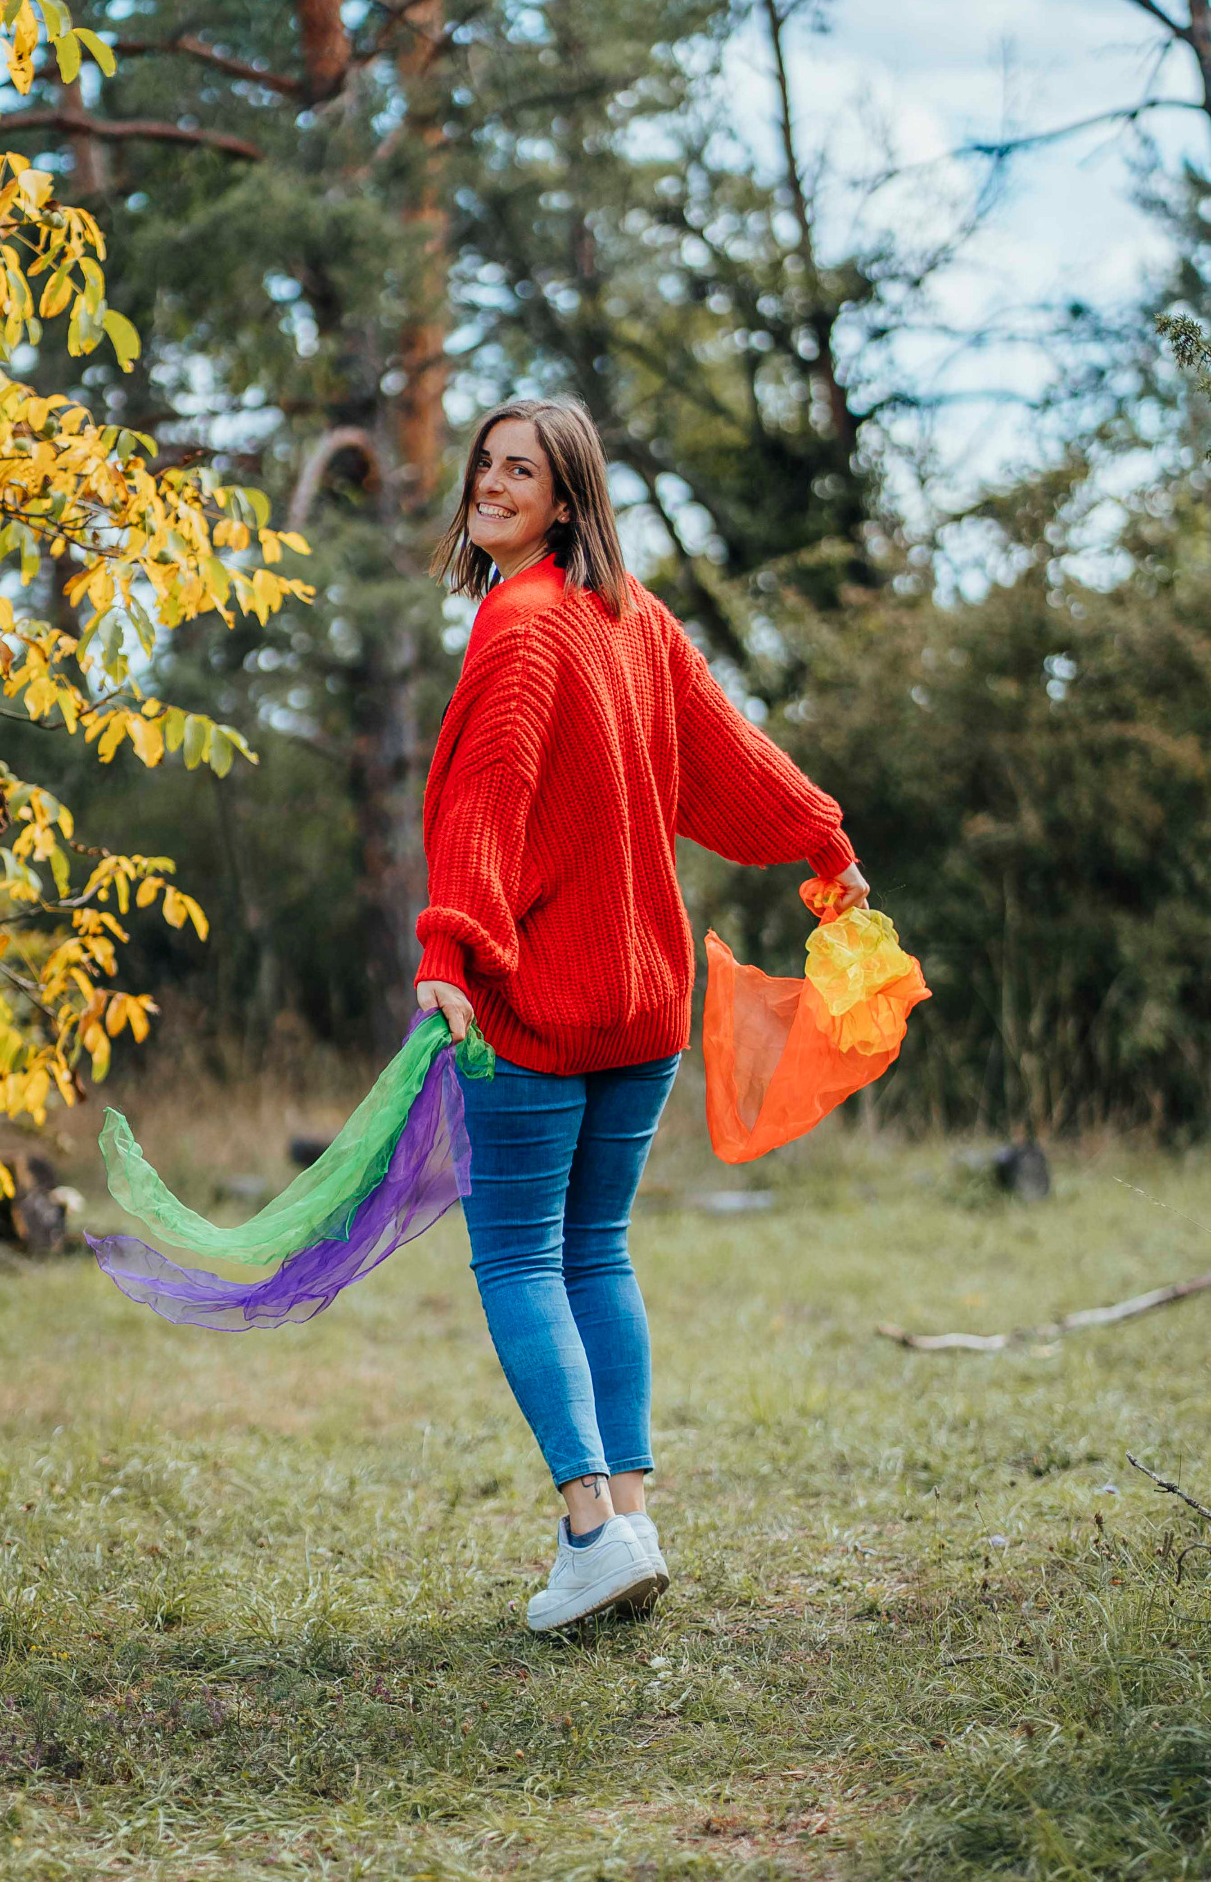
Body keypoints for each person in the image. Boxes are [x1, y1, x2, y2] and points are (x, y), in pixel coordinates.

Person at [415, 398, 868, 1632]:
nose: (492, 484)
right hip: (646, 1002)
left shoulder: (518, 624)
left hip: (538, 1003)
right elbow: (735, 756)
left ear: (566, 499)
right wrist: (823, 839)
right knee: (596, 1248)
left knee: (521, 1255)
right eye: (485, 464)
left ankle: (589, 1534)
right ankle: (633, 1519)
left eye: (522, 471)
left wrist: (449, 944)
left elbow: (487, 798)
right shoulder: (638, 619)